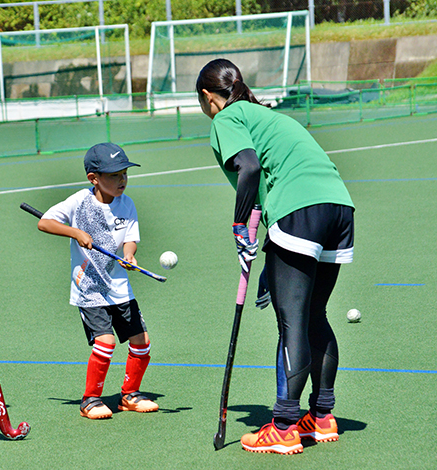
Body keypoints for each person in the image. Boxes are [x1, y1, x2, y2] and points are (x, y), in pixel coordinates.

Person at [196, 59, 355, 455]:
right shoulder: (268, 116)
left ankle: (283, 425)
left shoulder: (227, 117)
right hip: (338, 208)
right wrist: (270, 259)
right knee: (314, 314)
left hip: (299, 211)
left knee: (293, 321)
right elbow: (272, 181)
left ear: (206, 96)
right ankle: (321, 417)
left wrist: (238, 229)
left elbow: (248, 168)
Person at [37, 143, 159, 419]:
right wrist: (75, 232)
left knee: (142, 341)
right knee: (106, 342)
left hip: (119, 286)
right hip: (89, 287)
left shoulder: (126, 204)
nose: (122, 180)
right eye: (114, 175)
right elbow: (44, 222)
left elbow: (130, 238)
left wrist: (129, 255)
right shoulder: (79, 201)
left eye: (124, 174)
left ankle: (129, 395)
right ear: (94, 178)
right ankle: (90, 399)